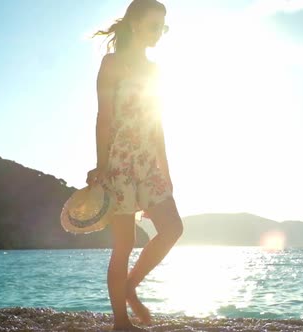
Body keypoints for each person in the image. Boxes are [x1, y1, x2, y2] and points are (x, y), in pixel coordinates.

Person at [86, 1, 183, 331]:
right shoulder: (112, 64)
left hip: (148, 164)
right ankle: (120, 322)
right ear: (133, 25)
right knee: (124, 243)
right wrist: (101, 167)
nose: (159, 33)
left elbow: (157, 126)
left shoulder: (155, 70)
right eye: (154, 25)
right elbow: (104, 119)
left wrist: (166, 173)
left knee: (173, 229)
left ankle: (129, 285)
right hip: (120, 164)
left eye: (163, 27)